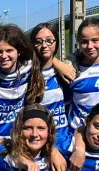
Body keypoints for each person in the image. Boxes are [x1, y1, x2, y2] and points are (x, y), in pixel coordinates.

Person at [0, 24, 45, 142]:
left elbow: (48, 56)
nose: (4, 56)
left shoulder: (29, 70)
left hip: (15, 141)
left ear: (19, 51)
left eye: (9, 50)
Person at [65, 17, 99, 133]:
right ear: (78, 41)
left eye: (95, 40)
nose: (89, 46)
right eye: (84, 41)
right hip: (78, 135)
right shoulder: (71, 71)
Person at [29, 23, 75, 151]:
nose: (44, 45)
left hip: (63, 140)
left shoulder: (66, 71)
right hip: (38, 143)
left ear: (56, 42)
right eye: (38, 42)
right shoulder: (26, 74)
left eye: (49, 41)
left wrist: (56, 62)